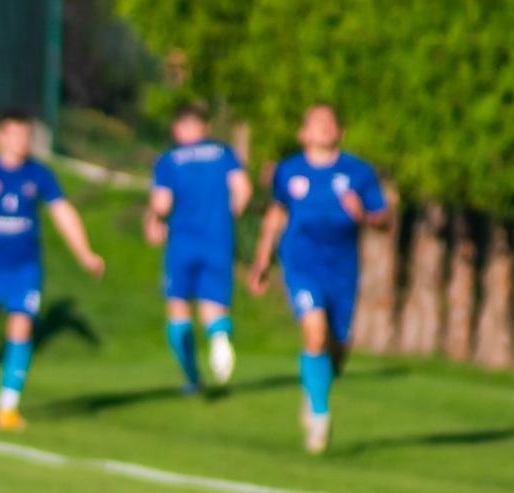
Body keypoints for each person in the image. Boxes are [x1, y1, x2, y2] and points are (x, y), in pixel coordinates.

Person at [0, 109, 106, 430]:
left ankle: (7, 408)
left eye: (26, 135)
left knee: (21, 328)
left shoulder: (39, 174)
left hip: (24, 270)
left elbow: (62, 212)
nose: (21, 141)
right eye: (14, 134)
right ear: (0, 136)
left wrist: (85, 253)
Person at [248, 104, 389, 454]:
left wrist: (365, 217)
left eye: (331, 123)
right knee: (314, 333)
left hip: (342, 268)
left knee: (335, 352)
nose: (324, 128)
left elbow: (383, 219)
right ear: (303, 133)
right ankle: (319, 415)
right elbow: (276, 213)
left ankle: (315, 389)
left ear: (340, 132)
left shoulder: (358, 172)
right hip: (300, 261)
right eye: (316, 123)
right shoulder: (289, 171)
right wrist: (262, 259)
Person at [144, 102, 252, 392]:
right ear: (204, 127)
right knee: (213, 303)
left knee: (178, 305)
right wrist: (230, 214)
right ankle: (219, 340)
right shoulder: (223, 153)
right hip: (218, 239)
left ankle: (192, 377)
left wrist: (154, 220)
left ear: (177, 128)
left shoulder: (169, 160)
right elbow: (243, 189)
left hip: (182, 240)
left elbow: (162, 202)